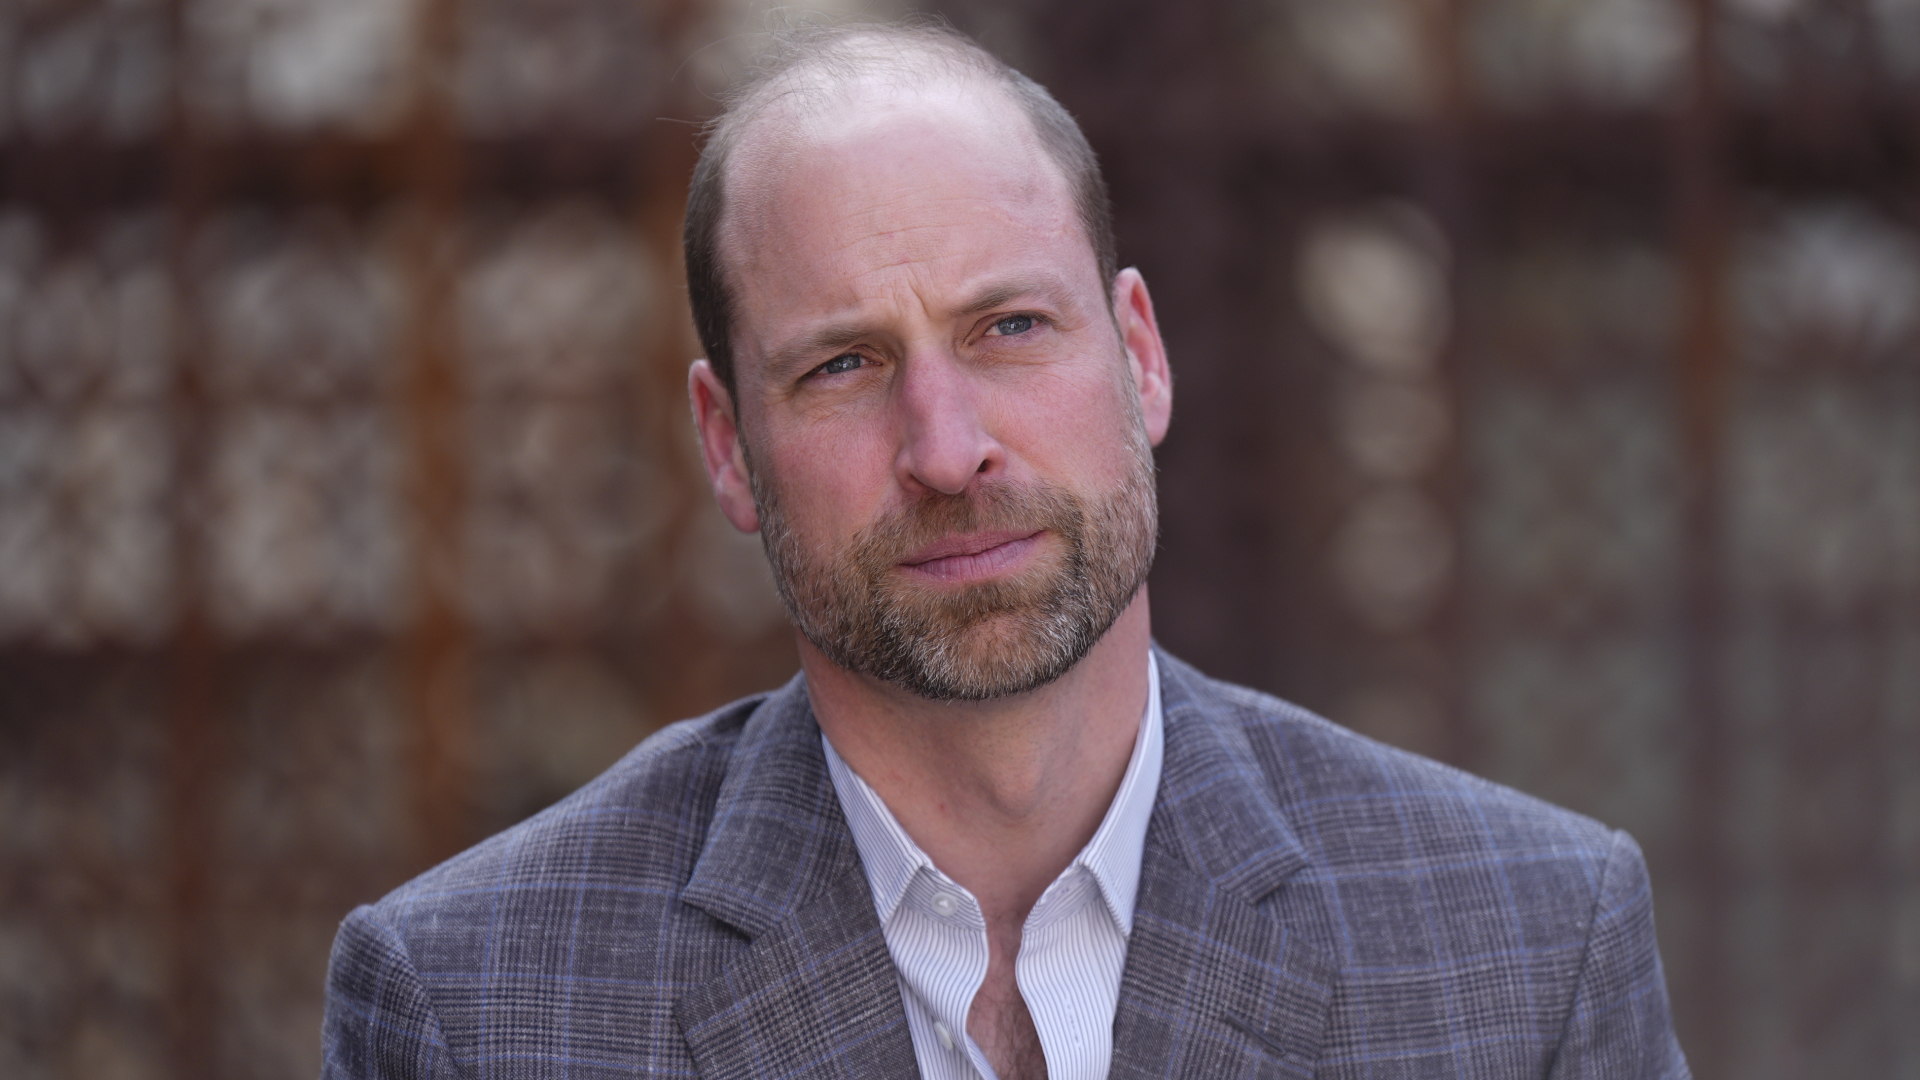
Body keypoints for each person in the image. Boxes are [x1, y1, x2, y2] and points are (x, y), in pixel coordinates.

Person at [322, 20, 1688, 1080]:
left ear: (1140, 358)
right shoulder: (475, 1007)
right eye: (845, 364)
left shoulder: (1528, 951)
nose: (946, 445)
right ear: (728, 445)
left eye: (1010, 330)